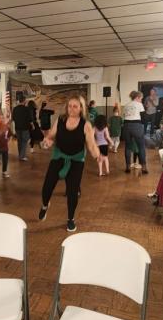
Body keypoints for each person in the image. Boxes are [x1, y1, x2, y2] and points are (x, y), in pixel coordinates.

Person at [38, 96, 100, 232]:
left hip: (76, 160)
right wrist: (46, 142)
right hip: (59, 156)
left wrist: (97, 155)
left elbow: (91, 145)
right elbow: (51, 136)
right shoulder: (60, 120)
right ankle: (45, 205)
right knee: (46, 188)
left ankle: (70, 219)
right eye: (69, 106)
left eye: (75, 106)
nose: (71, 109)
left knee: (72, 192)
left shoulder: (86, 125)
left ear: (81, 108)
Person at [122, 91, 148, 174]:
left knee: (128, 147)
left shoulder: (126, 105)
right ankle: (144, 168)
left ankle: (127, 167)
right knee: (141, 147)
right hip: (136, 126)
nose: (141, 100)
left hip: (126, 126)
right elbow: (143, 118)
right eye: (141, 98)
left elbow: (124, 117)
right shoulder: (139, 104)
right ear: (137, 97)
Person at [12, 96, 32, 161]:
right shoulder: (27, 109)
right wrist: (32, 125)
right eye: (25, 100)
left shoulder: (15, 109)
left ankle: (20, 155)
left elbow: (13, 118)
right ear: (24, 101)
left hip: (17, 127)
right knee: (24, 141)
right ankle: (22, 156)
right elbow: (30, 119)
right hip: (25, 128)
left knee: (19, 141)